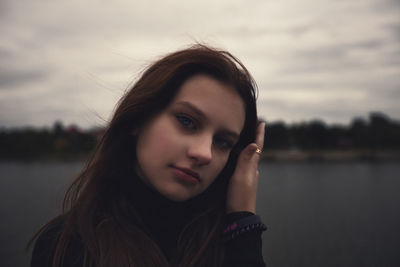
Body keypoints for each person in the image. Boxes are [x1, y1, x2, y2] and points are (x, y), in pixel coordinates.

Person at [29, 44, 267, 267]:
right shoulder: (68, 246)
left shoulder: (227, 242)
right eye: (187, 121)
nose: (204, 153)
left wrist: (242, 221)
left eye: (223, 142)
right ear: (140, 118)